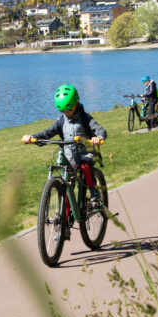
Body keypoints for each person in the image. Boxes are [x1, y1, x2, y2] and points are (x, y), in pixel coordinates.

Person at [22, 85, 106, 233]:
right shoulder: (61, 121)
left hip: (86, 153)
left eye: (69, 110)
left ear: (76, 104)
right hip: (70, 156)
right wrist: (33, 137)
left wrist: (98, 138)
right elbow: (48, 133)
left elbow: (100, 130)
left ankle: (94, 193)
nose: (66, 113)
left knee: (85, 167)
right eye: (62, 111)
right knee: (66, 191)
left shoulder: (85, 119)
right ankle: (64, 224)